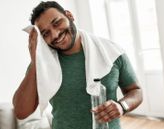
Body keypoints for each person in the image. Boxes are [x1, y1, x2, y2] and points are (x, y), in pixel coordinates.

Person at [13, 1, 143, 129]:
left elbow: (136, 91)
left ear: (69, 16)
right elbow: (21, 112)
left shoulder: (112, 52)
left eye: (57, 23)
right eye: (46, 33)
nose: (55, 34)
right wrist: (35, 64)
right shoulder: (42, 64)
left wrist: (122, 106)